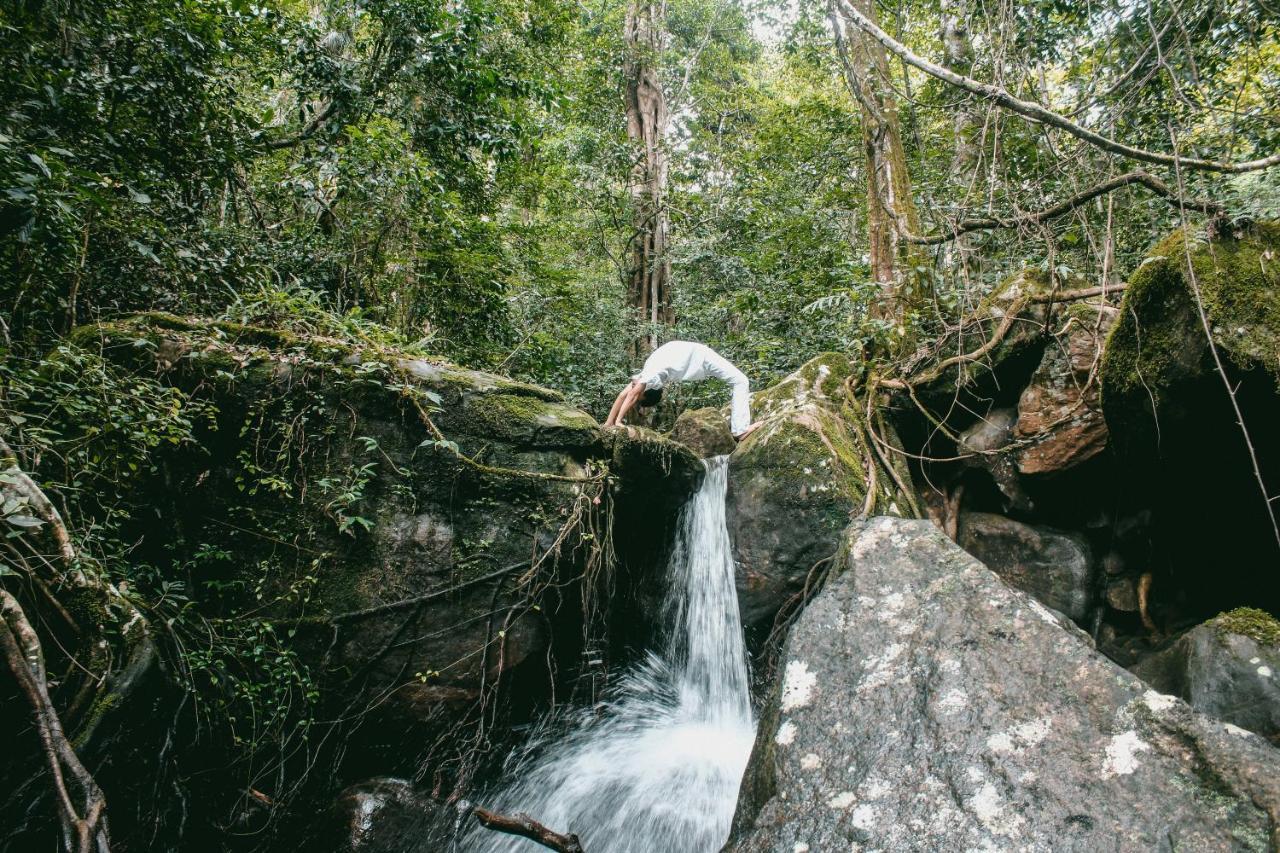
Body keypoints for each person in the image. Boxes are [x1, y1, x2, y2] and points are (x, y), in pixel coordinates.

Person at [603, 340, 758, 439]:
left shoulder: (649, 376)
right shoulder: (648, 376)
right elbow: (623, 395)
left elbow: (630, 395)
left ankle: (740, 430)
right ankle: (741, 429)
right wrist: (608, 423)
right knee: (740, 381)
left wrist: (617, 421)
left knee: (740, 381)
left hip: (703, 358)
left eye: (639, 396)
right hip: (699, 357)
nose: (636, 393)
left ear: (645, 392)